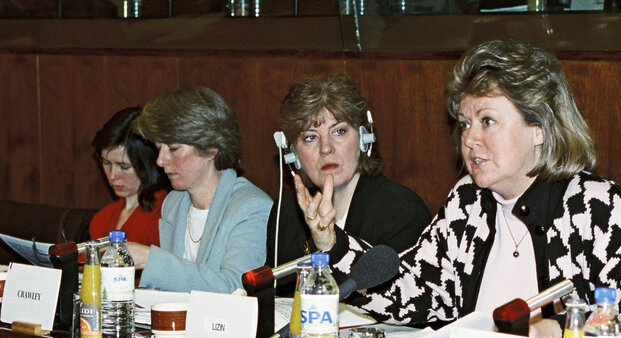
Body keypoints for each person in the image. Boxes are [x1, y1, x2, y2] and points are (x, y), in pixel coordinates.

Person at [299, 40, 621, 338]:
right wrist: (331, 242)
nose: (469, 140)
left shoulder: (595, 208)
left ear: (538, 128)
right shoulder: (469, 203)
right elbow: (413, 291)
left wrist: (563, 333)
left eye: (487, 121)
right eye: (465, 124)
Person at [267, 74, 431, 295]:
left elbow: (401, 303)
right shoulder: (286, 211)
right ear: (292, 154)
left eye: (339, 131)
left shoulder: (403, 212)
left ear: (364, 138)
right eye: (310, 137)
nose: (326, 148)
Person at [129, 86, 273, 293]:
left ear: (211, 147)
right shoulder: (174, 203)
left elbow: (236, 289)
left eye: (173, 148)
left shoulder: (251, 208)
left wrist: (149, 259)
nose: (160, 161)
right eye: (158, 148)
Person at [90, 107, 168, 246]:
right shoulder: (102, 218)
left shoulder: (166, 215)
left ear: (148, 163)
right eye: (106, 163)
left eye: (124, 166)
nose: (113, 175)